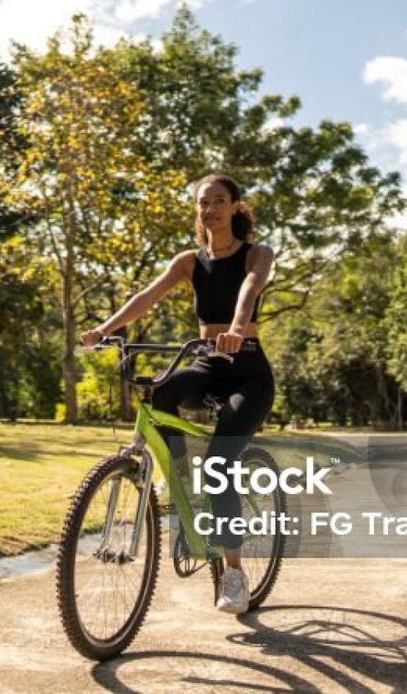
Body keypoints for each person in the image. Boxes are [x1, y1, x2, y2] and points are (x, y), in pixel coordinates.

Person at [80, 173, 276, 614]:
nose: (210, 209)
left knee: (221, 463)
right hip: (207, 362)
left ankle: (234, 575)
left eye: (219, 201)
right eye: (203, 202)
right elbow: (147, 296)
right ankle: (182, 483)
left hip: (248, 371)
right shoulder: (189, 261)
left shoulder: (257, 253)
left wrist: (237, 329)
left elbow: (250, 288)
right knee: (161, 391)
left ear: (235, 206)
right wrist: (105, 330)